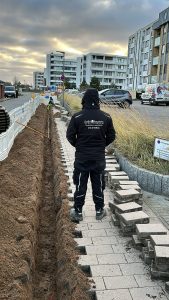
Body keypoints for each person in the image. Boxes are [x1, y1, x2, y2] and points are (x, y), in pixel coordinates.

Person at [66, 88, 116, 222]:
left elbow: (69, 136)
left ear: (84, 100)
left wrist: (79, 146)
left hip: (82, 158)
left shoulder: (77, 117)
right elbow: (111, 136)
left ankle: (77, 212)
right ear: (97, 100)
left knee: (80, 184)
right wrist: (101, 145)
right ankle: (99, 211)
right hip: (98, 158)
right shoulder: (106, 117)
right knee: (98, 184)